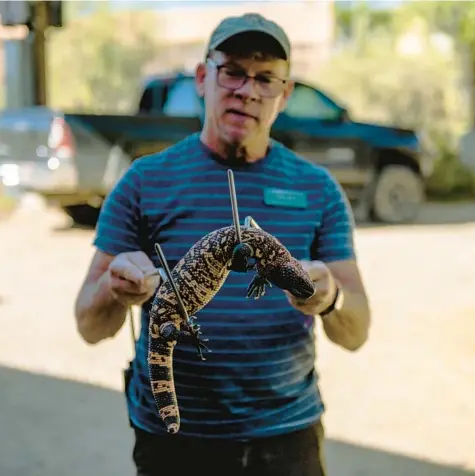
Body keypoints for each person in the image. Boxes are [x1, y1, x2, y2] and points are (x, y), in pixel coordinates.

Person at [74, 12, 371, 476]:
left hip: (286, 440)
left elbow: (357, 332)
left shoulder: (319, 189)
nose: (248, 90)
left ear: (285, 93)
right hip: (174, 446)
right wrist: (116, 288)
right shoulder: (143, 183)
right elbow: (89, 326)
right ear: (202, 77)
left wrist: (331, 297)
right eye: (232, 70)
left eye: (266, 77)